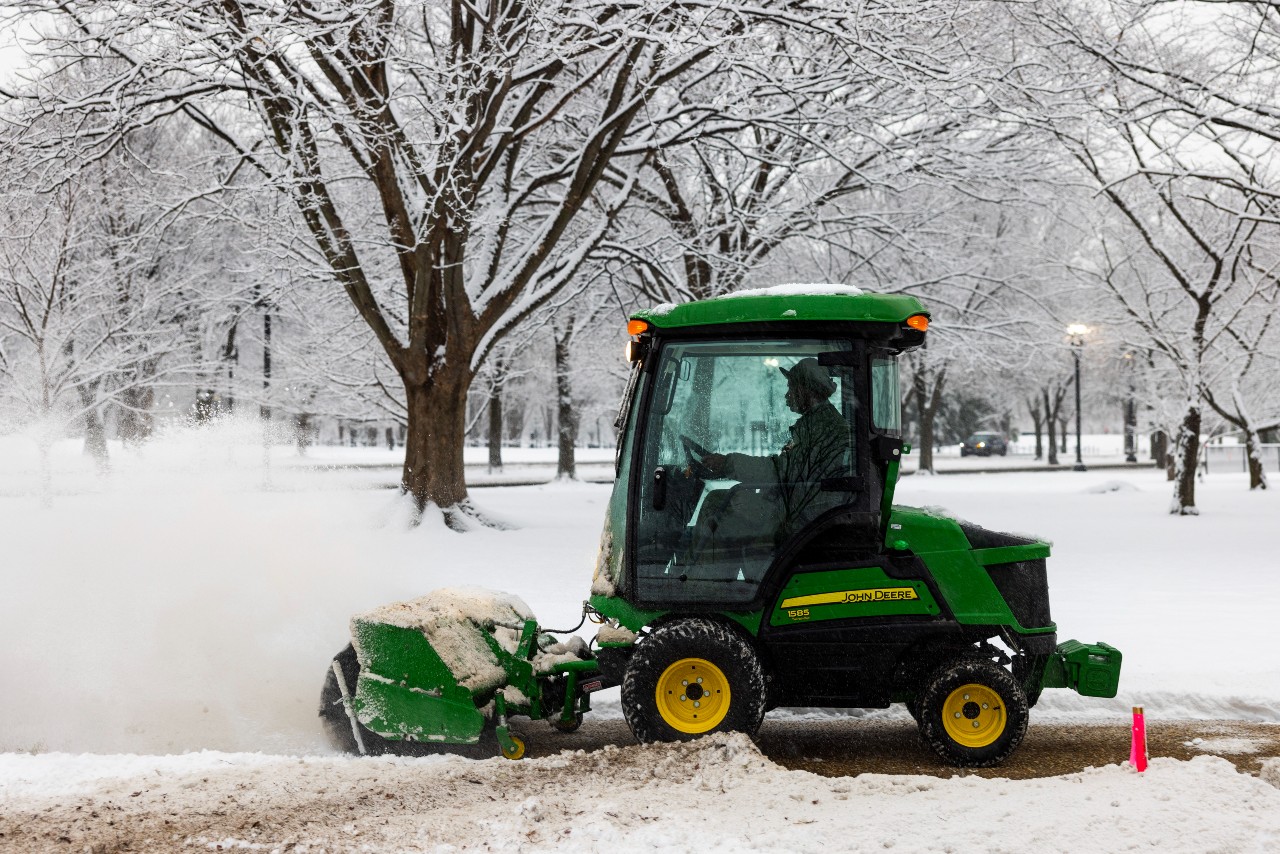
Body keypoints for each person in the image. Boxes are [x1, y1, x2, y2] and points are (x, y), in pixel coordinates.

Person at [682, 358, 848, 573]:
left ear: (807, 390)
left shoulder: (819, 428)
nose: (787, 395)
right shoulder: (818, 423)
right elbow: (789, 469)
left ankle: (707, 585)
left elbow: (778, 471)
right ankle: (716, 580)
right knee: (724, 501)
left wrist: (728, 463)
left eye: (791, 388)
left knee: (717, 507)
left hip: (796, 515)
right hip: (795, 505)